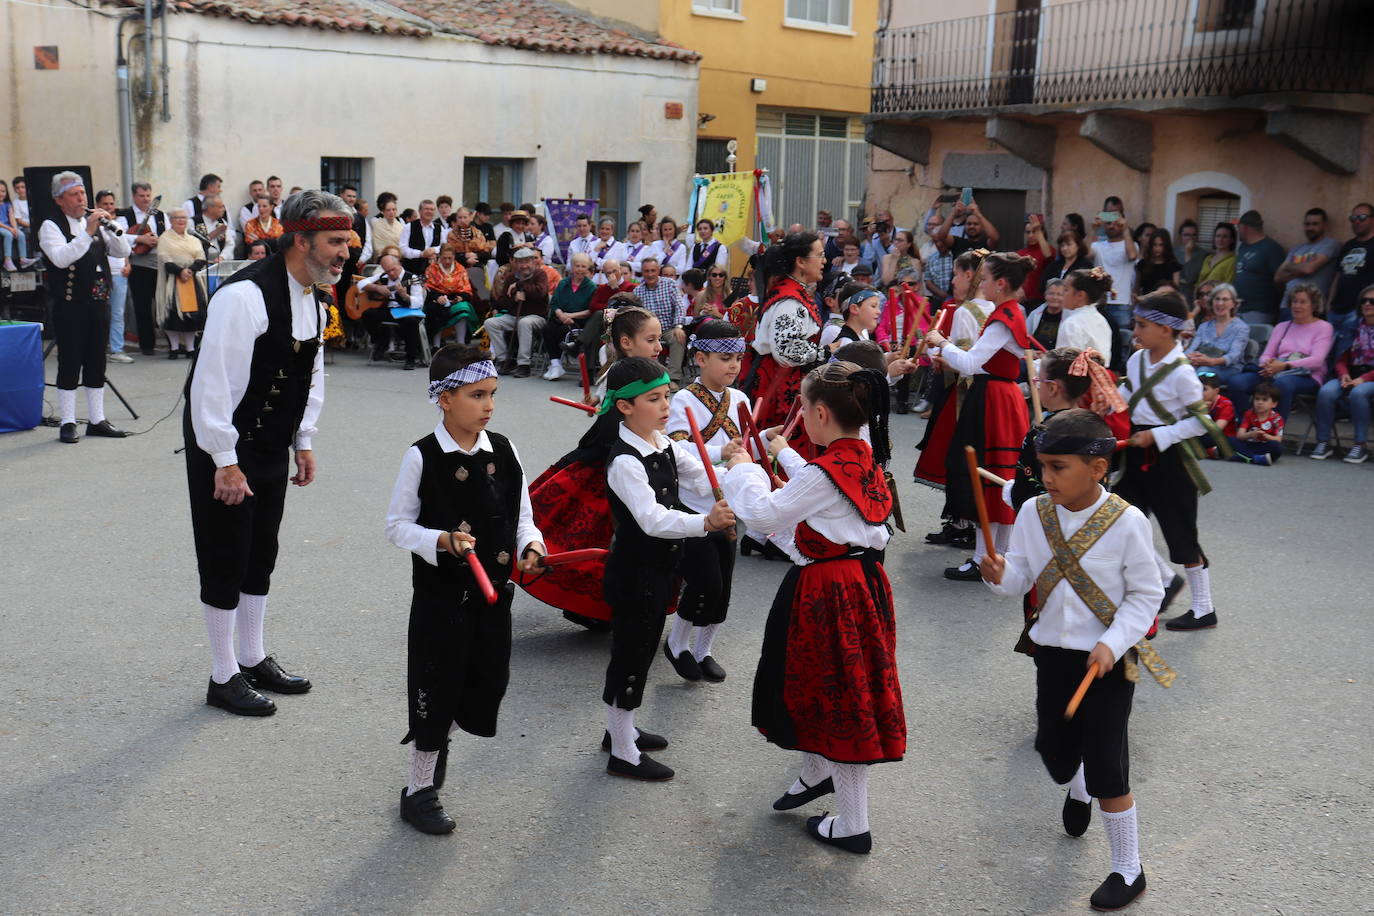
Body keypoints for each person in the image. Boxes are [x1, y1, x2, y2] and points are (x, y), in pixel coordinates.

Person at [979, 408, 1167, 913]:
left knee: (1108, 763)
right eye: (1043, 466)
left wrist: (1115, 641)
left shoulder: (1126, 522)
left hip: (1110, 661)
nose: (1046, 477)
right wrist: (996, 573)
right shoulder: (1032, 514)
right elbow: (1019, 578)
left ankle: (1129, 868)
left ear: (1098, 468)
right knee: (1055, 753)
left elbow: (1147, 594)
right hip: (1053, 656)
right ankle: (1076, 782)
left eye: (1059, 467)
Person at [722, 360, 903, 855]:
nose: (800, 414)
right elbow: (827, 488)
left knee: (838, 697)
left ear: (820, 414)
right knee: (824, 688)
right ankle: (816, 772)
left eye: (803, 407)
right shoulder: (861, 450)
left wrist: (743, 471)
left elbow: (763, 513)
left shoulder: (827, 472)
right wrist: (783, 455)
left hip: (830, 591)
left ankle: (852, 823)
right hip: (860, 582)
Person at [186, 189, 350, 716]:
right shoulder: (243, 297)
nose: (345, 252)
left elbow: (310, 374)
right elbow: (211, 387)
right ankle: (222, 674)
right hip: (227, 448)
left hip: (272, 444)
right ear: (300, 241)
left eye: (347, 240)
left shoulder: (315, 297)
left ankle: (253, 657)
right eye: (335, 241)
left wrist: (304, 439)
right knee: (226, 554)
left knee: (262, 552)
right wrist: (225, 462)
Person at [383, 343, 546, 834]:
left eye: (493, 394)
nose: (489, 405)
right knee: (437, 691)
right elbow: (396, 526)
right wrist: (441, 541)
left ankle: (436, 745)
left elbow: (522, 515)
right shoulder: (422, 456)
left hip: (494, 596)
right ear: (444, 398)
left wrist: (531, 546)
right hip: (441, 602)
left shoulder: (505, 449)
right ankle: (418, 788)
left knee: (486, 685)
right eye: (477, 395)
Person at [599, 357, 733, 781]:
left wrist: (744, 476)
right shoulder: (625, 461)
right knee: (632, 656)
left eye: (667, 396)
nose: (664, 405)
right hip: (635, 574)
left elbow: (697, 475)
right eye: (653, 398)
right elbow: (653, 519)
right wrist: (704, 523)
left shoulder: (662, 443)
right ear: (624, 407)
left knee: (640, 651)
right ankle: (622, 752)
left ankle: (620, 731)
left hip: (658, 571)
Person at [1116, 289, 1231, 632]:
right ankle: (1167, 580)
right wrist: (1105, 402)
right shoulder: (1137, 359)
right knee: (1121, 520)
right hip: (1136, 453)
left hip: (1171, 461)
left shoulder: (1182, 372)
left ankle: (1203, 608)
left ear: (1166, 329)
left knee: (1179, 531)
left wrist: (1159, 435)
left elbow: (1201, 422)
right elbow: (1126, 396)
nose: (1135, 331)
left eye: (1141, 324)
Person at [924, 252, 1037, 581]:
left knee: (987, 477)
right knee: (994, 478)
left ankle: (985, 558)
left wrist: (941, 343)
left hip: (994, 400)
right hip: (999, 398)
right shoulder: (1009, 312)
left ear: (1000, 284)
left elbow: (973, 363)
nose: (980, 284)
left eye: (984, 279)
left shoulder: (1004, 317)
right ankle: (994, 556)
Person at [662, 320, 750, 683]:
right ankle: (678, 644)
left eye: (738, 359)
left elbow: (746, 448)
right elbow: (676, 447)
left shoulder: (741, 399)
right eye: (725, 358)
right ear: (700, 358)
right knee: (704, 583)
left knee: (724, 586)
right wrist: (719, 450)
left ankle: (704, 649)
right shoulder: (682, 399)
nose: (733, 365)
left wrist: (763, 443)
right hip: (695, 506)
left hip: (729, 503)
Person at [38, 171, 133, 443]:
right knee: (70, 361)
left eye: (82, 193)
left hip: (99, 301)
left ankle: (97, 419)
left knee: (96, 361)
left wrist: (112, 228)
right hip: (70, 305)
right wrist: (89, 231)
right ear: (59, 200)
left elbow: (122, 251)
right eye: (74, 195)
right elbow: (60, 258)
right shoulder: (51, 226)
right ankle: (68, 422)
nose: (81, 199)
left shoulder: (95, 222)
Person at [750, 232, 828, 456]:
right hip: (781, 386)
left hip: (784, 381)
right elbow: (785, 350)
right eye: (819, 256)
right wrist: (824, 352)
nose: (824, 261)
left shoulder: (793, 292)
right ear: (801, 262)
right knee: (783, 450)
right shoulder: (790, 300)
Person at [1226, 283, 1333, 416]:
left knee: (1282, 384)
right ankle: (1247, 424)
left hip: (1306, 375)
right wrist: (1268, 364)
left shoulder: (1324, 327)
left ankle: (1273, 431)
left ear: (1314, 305)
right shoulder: (1282, 326)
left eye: (1303, 302)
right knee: (1237, 382)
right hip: (1274, 371)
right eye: (1294, 301)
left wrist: (1284, 365)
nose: (1297, 306)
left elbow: (1317, 360)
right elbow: (1266, 354)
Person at [1310, 286, 1374, 463]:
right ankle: (1323, 442)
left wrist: (1363, 379)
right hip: (1351, 373)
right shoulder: (1352, 325)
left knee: (1359, 393)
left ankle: (1360, 445)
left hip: (1370, 377)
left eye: (1372, 301)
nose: (1367, 304)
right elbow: (1339, 357)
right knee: (1326, 392)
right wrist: (1343, 374)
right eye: (1364, 301)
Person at [117, 181, 167, 355]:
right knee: (142, 305)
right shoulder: (125, 216)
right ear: (134, 196)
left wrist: (157, 241)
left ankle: (173, 343)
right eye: (141, 196)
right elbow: (120, 237)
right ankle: (147, 345)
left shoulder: (160, 215)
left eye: (148, 196)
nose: (145, 199)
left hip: (158, 264)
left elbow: (168, 235)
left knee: (162, 303)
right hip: (138, 264)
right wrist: (140, 240)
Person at [484, 247, 549, 377]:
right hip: (514, 315)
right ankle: (504, 360)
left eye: (527, 262)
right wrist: (514, 298)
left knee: (524, 323)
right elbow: (502, 301)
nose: (524, 266)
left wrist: (520, 285)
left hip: (536, 316)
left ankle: (523, 364)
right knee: (490, 323)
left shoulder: (540, 274)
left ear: (532, 262)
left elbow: (539, 293)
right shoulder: (510, 277)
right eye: (520, 262)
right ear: (516, 263)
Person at [155, 209, 209, 359]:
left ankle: (190, 348)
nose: (181, 221)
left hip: (192, 280)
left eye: (184, 218)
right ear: (171, 220)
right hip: (173, 280)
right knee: (172, 315)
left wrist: (190, 270)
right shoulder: (165, 238)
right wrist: (180, 271)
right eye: (177, 218)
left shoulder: (194, 239)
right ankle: (174, 347)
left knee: (192, 315)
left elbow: (201, 257)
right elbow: (165, 259)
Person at [357, 253, 426, 369]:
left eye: (393, 270)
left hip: (407, 311)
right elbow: (360, 284)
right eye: (387, 271)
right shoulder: (383, 276)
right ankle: (381, 342)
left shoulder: (412, 278)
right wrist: (377, 288)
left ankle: (411, 358)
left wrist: (405, 296)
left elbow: (419, 302)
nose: (391, 274)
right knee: (368, 315)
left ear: (398, 264)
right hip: (389, 310)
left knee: (411, 322)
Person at [1276, 208, 1340, 318]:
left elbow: (1309, 269)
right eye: (1307, 224)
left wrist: (1289, 267)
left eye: (1315, 224)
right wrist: (1301, 269)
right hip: (1287, 306)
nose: (1310, 228)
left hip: (1312, 308)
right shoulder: (1296, 249)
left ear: (1324, 225)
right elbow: (1278, 277)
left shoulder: (1330, 245)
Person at [541, 251, 596, 379]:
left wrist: (571, 315)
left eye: (583, 266)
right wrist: (561, 315)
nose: (580, 269)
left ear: (588, 268)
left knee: (562, 331)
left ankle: (556, 365)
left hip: (578, 322)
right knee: (547, 328)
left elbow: (590, 310)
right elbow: (554, 303)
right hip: (560, 318)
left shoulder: (591, 287)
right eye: (577, 266)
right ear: (572, 267)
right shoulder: (563, 283)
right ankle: (555, 364)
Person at [1184, 283, 1250, 388]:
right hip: (1202, 364)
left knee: (1201, 373)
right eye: (1217, 299)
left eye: (1225, 299)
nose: (1220, 303)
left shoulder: (1241, 328)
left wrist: (1211, 362)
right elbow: (1191, 349)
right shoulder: (1204, 326)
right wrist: (1189, 357)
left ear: (1233, 303)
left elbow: (1234, 356)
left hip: (1228, 369)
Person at [94, 189, 134, 363]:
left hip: (119, 273)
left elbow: (123, 247)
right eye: (105, 204)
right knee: (100, 313)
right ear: (97, 206)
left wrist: (127, 263)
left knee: (118, 313)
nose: (109, 207)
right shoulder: (92, 226)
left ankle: (117, 349)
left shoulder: (117, 224)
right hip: (101, 274)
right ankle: (97, 348)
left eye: (111, 203)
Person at [1328, 203, 1374, 352]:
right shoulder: (1348, 245)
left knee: (1344, 352)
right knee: (1328, 352)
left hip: (1358, 310)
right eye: (1353, 218)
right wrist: (1329, 303)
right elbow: (1337, 276)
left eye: (1362, 217)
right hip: (1336, 309)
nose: (1357, 221)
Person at [635, 256, 687, 382]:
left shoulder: (670, 284)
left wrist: (678, 326)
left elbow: (680, 307)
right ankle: (653, 376)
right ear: (642, 273)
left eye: (653, 270)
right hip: (648, 331)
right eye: (646, 271)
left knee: (678, 337)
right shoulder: (637, 291)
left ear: (658, 271)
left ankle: (674, 378)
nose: (650, 274)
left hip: (669, 328)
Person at [1232, 210, 1286, 325]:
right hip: (1238, 308)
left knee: (1255, 342)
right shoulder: (1243, 247)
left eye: (1239, 227)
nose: (1238, 231)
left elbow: (1280, 280)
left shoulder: (1271, 248)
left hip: (1259, 311)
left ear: (1244, 227)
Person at [1057, 269, 1117, 372]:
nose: (1062, 294)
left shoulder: (1072, 324)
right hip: (1098, 376)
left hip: (1078, 380)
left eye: (1066, 290)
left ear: (1080, 295)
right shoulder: (1101, 320)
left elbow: (1066, 364)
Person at [1089, 210, 1139, 330]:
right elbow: (1085, 254)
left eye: (1116, 223)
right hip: (1100, 302)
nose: (1112, 226)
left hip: (1122, 303)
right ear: (1104, 225)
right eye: (1108, 223)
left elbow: (1132, 255)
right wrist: (1093, 229)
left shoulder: (1132, 245)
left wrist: (1126, 229)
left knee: (1122, 343)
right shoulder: (1098, 246)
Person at [423, 245, 477, 348]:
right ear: (439, 256)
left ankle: (460, 344)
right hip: (436, 299)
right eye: (444, 258)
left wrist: (461, 297)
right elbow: (428, 288)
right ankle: (436, 346)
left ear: (454, 257)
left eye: (450, 258)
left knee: (463, 308)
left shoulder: (460, 269)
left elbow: (466, 289)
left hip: (455, 299)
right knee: (436, 310)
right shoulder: (431, 269)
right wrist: (437, 297)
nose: (447, 261)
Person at [1227, 381, 1285, 465]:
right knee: (1231, 439)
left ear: (1274, 404)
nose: (1260, 402)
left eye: (1264, 400)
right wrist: (1251, 434)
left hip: (1264, 446)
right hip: (1249, 444)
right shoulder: (1249, 414)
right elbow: (1240, 435)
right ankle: (1254, 458)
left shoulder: (1277, 418)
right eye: (1257, 399)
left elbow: (1278, 439)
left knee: (1277, 447)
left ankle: (1243, 457)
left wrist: (1266, 436)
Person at [1133, 228, 1181, 301]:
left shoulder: (1173, 265)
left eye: (1161, 245)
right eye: (1154, 245)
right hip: (1146, 305)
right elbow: (1136, 288)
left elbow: (1174, 289)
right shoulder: (1142, 264)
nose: (1157, 248)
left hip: (1166, 304)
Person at [1016, 215, 1054, 305]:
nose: (1031, 235)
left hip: (1040, 301)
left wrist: (1038, 230)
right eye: (1028, 232)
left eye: (1034, 232)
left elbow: (1049, 256)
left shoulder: (1047, 250)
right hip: (1021, 301)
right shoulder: (1019, 253)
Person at [400, 199, 445, 276]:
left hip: (434, 272)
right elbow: (403, 249)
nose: (429, 211)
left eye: (432, 209)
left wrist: (434, 250)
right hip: (412, 270)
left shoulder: (440, 228)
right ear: (420, 211)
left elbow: (444, 247)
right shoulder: (408, 227)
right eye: (426, 209)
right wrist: (421, 254)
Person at [0, 179, 37, 271]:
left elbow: (12, 217)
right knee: (8, 235)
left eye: (3, 191)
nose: (1, 193)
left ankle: (23, 259)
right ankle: (7, 260)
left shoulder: (8, 204)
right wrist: (9, 228)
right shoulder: (15, 203)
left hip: (8, 226)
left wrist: (15, 228)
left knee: (21, 234)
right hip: (2, 226)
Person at [1174, 219, 1209, 304]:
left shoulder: (1203, 254)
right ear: (1180, 236)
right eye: (1186, 235)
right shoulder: (1173, 252)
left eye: (1194, 235)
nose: (1190, 238)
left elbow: (1191, 277)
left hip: (1193, 295)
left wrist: (1188, 253)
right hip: (1176, 294)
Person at [1027, 278, 1065, 352]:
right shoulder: (1035, 314)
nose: (1054, 297)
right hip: (1032, 355)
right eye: (1051, 293)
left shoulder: (1069, 318)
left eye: (1059, 294)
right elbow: (1025, 336)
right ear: (1045, 295)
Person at [195, 196, 235, 265]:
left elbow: (230, 243)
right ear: (210, 208)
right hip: (202, 264)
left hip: (221, 262)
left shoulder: (222, 222)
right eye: (220, 207)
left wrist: (222, 257)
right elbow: (192, 244)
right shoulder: (194, 222)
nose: (223, 209)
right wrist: (214, 233)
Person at [1197, 222, 1238, 289]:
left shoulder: (1233, 261)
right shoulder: (1208, 258)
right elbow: (1199, 282)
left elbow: (1228, 286)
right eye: (1218, 236)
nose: (1220, 240)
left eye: (1225, 236)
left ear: (1231, 240)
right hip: (1202, 296)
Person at [1199, 372, 1237, 441]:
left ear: (1216, 390)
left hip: (1225, 442)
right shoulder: (1198, 402)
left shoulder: (1226, 405)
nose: (1199, 391)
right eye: (1198, 388)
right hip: (1209, 437)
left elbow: (1216, 430)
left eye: (1204, 389)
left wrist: (1203, 411)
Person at [371, 193, 404, 262]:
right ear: (383, 212)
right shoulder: (377, 225)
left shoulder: (400, 225)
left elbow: (403, 244)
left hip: (400, 259)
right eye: (388, 210)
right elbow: (378, 247)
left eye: (394, 209)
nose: (391, 212)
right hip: (383, 260)